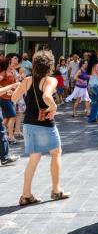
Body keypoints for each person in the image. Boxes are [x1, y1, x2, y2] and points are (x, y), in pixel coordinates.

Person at [11, 51, 70, 205]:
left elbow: (14, 98)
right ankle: (56, 190)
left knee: (34, 158)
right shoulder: (50, 80)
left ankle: (26, 194)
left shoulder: (27, 80)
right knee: (56, 153)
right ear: (50, 65)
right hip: (44, 123)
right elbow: (46, 97)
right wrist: (54, 107)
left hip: (29, 123)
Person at [87, 53, 98, 123]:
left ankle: (92, 118)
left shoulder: (89, 65)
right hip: (95, 85)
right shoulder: (96, 65)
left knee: (94, 102)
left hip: (90, 85)